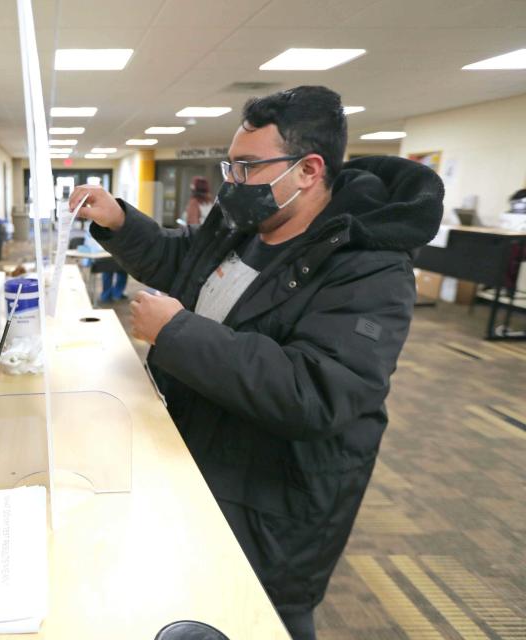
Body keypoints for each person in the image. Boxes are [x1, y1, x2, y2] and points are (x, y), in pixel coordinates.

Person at [70, 86, 443, 639]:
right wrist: (122, 222)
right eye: (230, 164)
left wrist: (177, 332)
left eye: (247, 166)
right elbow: (184, 263)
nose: (231, 181)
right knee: (197, 596)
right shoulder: (243, 228)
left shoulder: (369, 269)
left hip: (277, 496)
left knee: (259, 617)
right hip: (209, 452)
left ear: (308, 170)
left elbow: (316, 391)